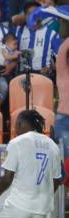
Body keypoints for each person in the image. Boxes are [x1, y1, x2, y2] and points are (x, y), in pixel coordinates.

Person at [0, 109, 62, 217]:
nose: (15, 129)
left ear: (20, 123)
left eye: (16, 125)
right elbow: (57, 179)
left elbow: (8, 177)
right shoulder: (53, 146)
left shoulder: (17, 142)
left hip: (20, 206)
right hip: (44, 209)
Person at [14, 1, 62, 76]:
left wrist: (51, 68)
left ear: (41, 15)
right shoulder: (17, 31)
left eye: (36, 13)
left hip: (43, 75)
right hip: (21, 74)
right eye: (29, 14)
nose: (33, 16)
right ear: (25, 16)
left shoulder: (51, 34)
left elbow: (62, 58)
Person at [55, 38, 69, 185]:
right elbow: (62, 51)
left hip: (63, 121)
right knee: (64, 161)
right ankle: (62, 196)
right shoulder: (63, 73)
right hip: (64, 121)